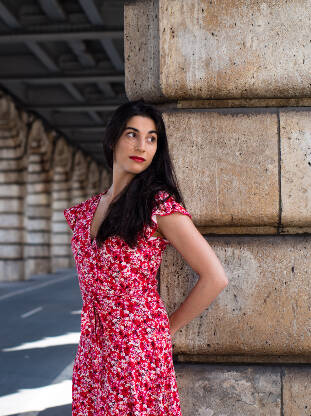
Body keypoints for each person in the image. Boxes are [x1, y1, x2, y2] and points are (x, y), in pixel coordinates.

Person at [63, 99, 228, 415]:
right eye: (132, 134)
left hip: (139, 347)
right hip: (93, 348)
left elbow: (214, 277)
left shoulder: (158, 206)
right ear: (113, 139)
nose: (142, 146)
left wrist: (165, 330)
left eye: (152, 138)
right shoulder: (85, 213)